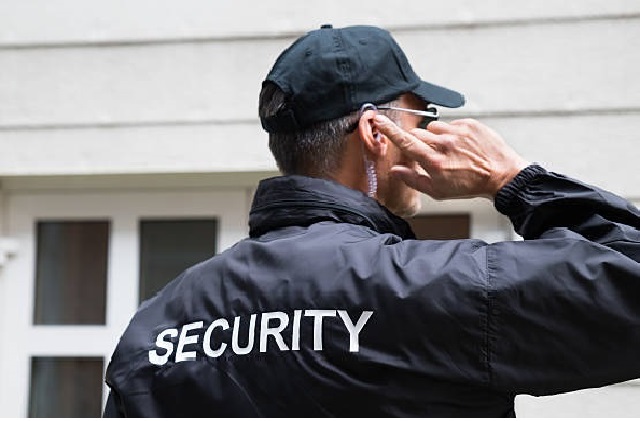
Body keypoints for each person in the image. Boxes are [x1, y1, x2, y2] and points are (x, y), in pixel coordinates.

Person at [103, 24, 640, 417]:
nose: (432, 136)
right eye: (422, 119)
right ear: (377, 134)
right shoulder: (430, 287)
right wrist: (514, 180)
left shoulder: (159, 323)